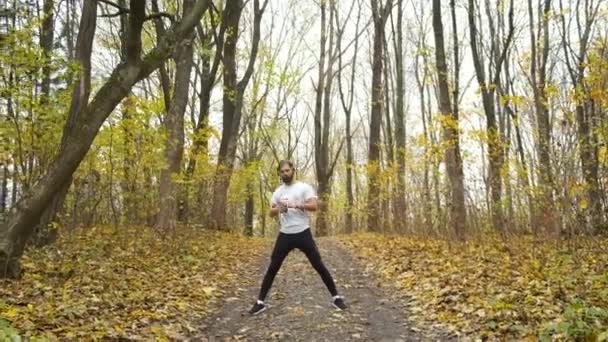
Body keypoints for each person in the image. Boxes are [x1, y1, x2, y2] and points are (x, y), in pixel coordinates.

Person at [249, 160, 347, 315]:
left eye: (287, 170)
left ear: (293, 170)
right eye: (282, 172)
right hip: (285, 234)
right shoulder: (278, 192)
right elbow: (270, 212)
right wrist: (279, 208)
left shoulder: (304, 187)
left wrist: (296, 204)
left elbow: (314, 206)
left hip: (303, 232)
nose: (285, 173)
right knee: (272, 267)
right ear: (279, 174)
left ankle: (336, 298)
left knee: (319, 265)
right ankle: (260, 302)